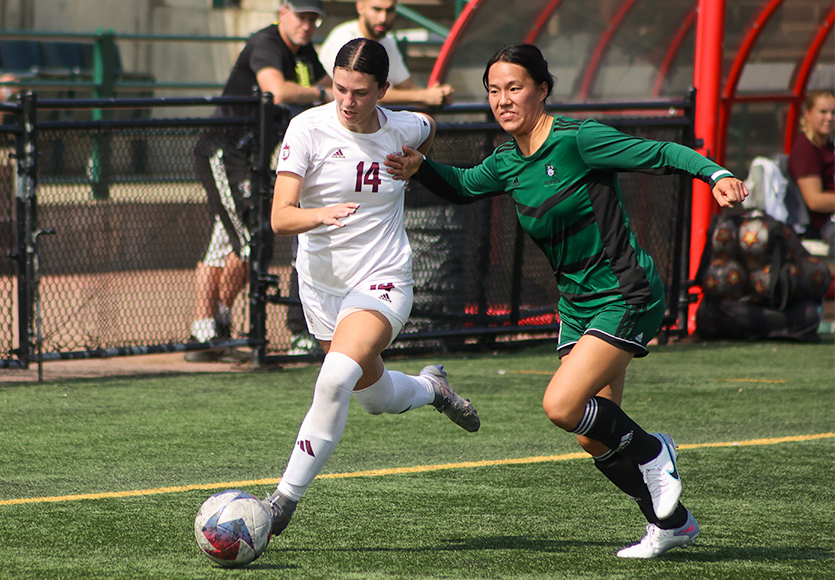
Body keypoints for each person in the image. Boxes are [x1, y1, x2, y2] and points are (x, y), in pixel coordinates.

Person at [385, 43, 749, 559]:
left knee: (561, 405)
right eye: (493, 90)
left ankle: (655, 451)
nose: (503, 100)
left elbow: (662, 153)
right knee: (593, 433)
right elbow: (465, 186)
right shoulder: (508, 160)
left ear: (542, 89)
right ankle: (671, 525)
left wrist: (715, 175)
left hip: (624, 292)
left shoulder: (578, 140)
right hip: (577, 306)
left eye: (515, 88)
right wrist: (421, 166)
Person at [261, 38, 480, 537]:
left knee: (335, 378)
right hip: (321, 288)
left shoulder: (403, 125)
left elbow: (428, 127)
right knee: (374, 397)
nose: (347, 101)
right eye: (340, 88)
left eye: (360, 92)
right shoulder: (307, 128)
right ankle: (432, 388)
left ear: (383, 89)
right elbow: (280, 217)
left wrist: (414, 166)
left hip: (383, 279)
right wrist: (321, 215)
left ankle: (281, 503)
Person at [187, 0, 334, 361]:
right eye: (302, 16)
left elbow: (329, 81)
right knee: (249, 239)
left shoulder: (304, 52)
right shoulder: (266, 42)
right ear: (283, 11)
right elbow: (278, 90)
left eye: (314, 19)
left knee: (227, 241)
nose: (307, 25)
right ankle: (207, 329)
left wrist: (339, 90)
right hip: (223, 151)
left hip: (251, 158)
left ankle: (210, 329)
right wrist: (323, 95)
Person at [317, 0, 454, 107]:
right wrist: (424, 97)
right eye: (376, 9)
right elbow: (364, 94)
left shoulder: (387, 41)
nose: (383, 18)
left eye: (390, 10)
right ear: (360, 7)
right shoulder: (344, 38)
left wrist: (437, 95)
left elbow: (407, 86)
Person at [788, 89, 834, 254]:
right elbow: (815, 200)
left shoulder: (828, 146)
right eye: (823, 112)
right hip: (825, 224)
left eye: (833, 112)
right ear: (807, 114)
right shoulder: (805, 149)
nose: (829, 117)